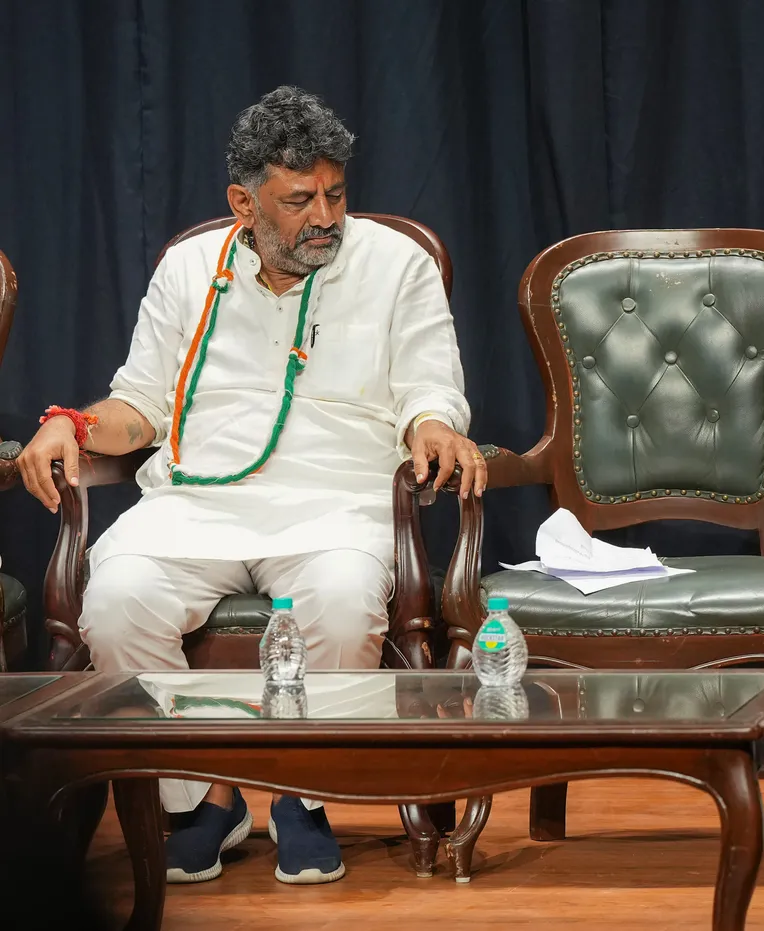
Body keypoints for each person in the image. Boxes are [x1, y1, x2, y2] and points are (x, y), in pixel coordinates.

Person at [16, 86, 486, 885]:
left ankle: (303, 792)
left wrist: (435, 426)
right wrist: (74, 424)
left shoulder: (396, 263)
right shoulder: (189, 267)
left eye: (336, 193)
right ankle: (207, 797)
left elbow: (430, 390)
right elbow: (139, 404)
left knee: (340, 603)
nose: (326, 216)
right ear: (243, 202)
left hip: (336, 501)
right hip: (195, 504)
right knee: (115, 602)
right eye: (300, 200)